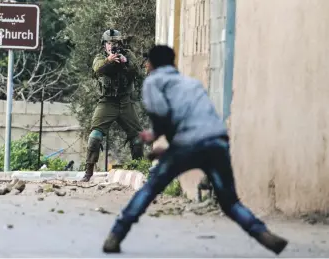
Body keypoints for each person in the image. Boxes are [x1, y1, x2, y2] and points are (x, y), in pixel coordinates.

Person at [102, 45, 288, 255]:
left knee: (150, 189)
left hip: (187, 145)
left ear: (151, 64)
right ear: (173, 63)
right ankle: (262, 234)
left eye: (147, 63)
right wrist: (168, 150)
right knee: (230, 202)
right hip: (216, 142)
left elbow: (165, 119)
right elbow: (196, 126)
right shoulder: (192, 84)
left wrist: (153, 137)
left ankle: (116, 235)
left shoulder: (153, 82)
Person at [81, 29, 144, 182]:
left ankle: (138, 169)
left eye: (115, 43)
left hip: (125, 101)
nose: (112, 46)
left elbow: (137, 72)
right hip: (107, 102)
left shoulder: (128, 56)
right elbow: (96, 70)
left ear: (120, 44)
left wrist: (125, 63)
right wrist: (109, 60)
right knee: (95, 137)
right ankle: (88, 171)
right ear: (105, 45)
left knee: (137, 139)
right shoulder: (100, 58)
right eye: (109, 43)